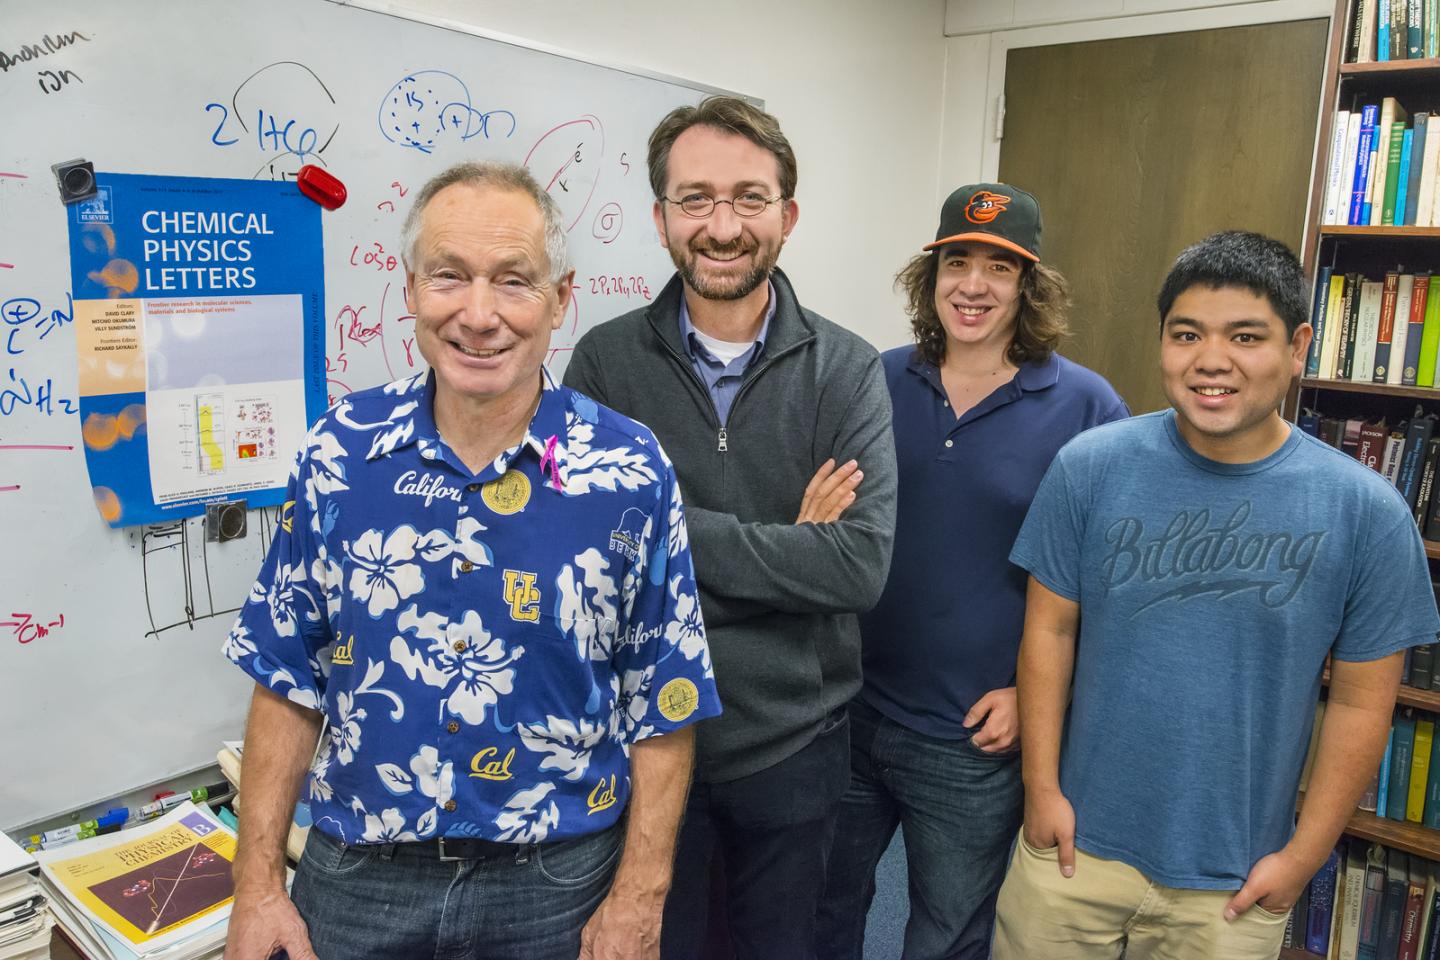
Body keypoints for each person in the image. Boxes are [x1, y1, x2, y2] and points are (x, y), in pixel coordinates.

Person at [220, 160, 720, 960]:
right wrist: (255, 888)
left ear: (561, 299)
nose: (478, 314)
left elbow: (663, 700)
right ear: (411, 289)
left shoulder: (629, 470)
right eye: (449, 276)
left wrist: (639, 898)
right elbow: (286, 678)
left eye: (514, 281)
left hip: (554, 887)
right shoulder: (340, 452)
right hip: (357, 877)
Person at [992, 230, 1440, 959]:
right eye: (1187, 333)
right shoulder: (1090, 468)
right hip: (1074, 850)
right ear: (1163, 340)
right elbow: (1049, 632)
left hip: (1233, 881)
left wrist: (1303, 858)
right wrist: (1041, 791)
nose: (1211, 360)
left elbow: (1362, 701)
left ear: (1298, 347)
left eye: (1246, 336)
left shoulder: (1366, 511)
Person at [563, 96, 897, 960]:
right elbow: (586, 557)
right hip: (639, 745)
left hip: (793, 747)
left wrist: (662, 527)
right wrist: (788, 550)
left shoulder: (848, 368)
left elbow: (856, 570)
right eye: (696, 198)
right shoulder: (603, 361)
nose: (723, 225)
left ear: (787, 216)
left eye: (750, 198)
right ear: (662, 217)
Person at [817, 183, 1127, 959]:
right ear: (932, 278)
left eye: (1000, 266)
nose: (974, 285)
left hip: (971, 738)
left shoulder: (1087, 407)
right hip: (847, 711)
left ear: (1028, 285)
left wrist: (1035, 693)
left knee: (947, 935)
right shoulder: (872, 379)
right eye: (958, 262)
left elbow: (1115, 583)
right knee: (820, 914)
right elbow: (828, 521)